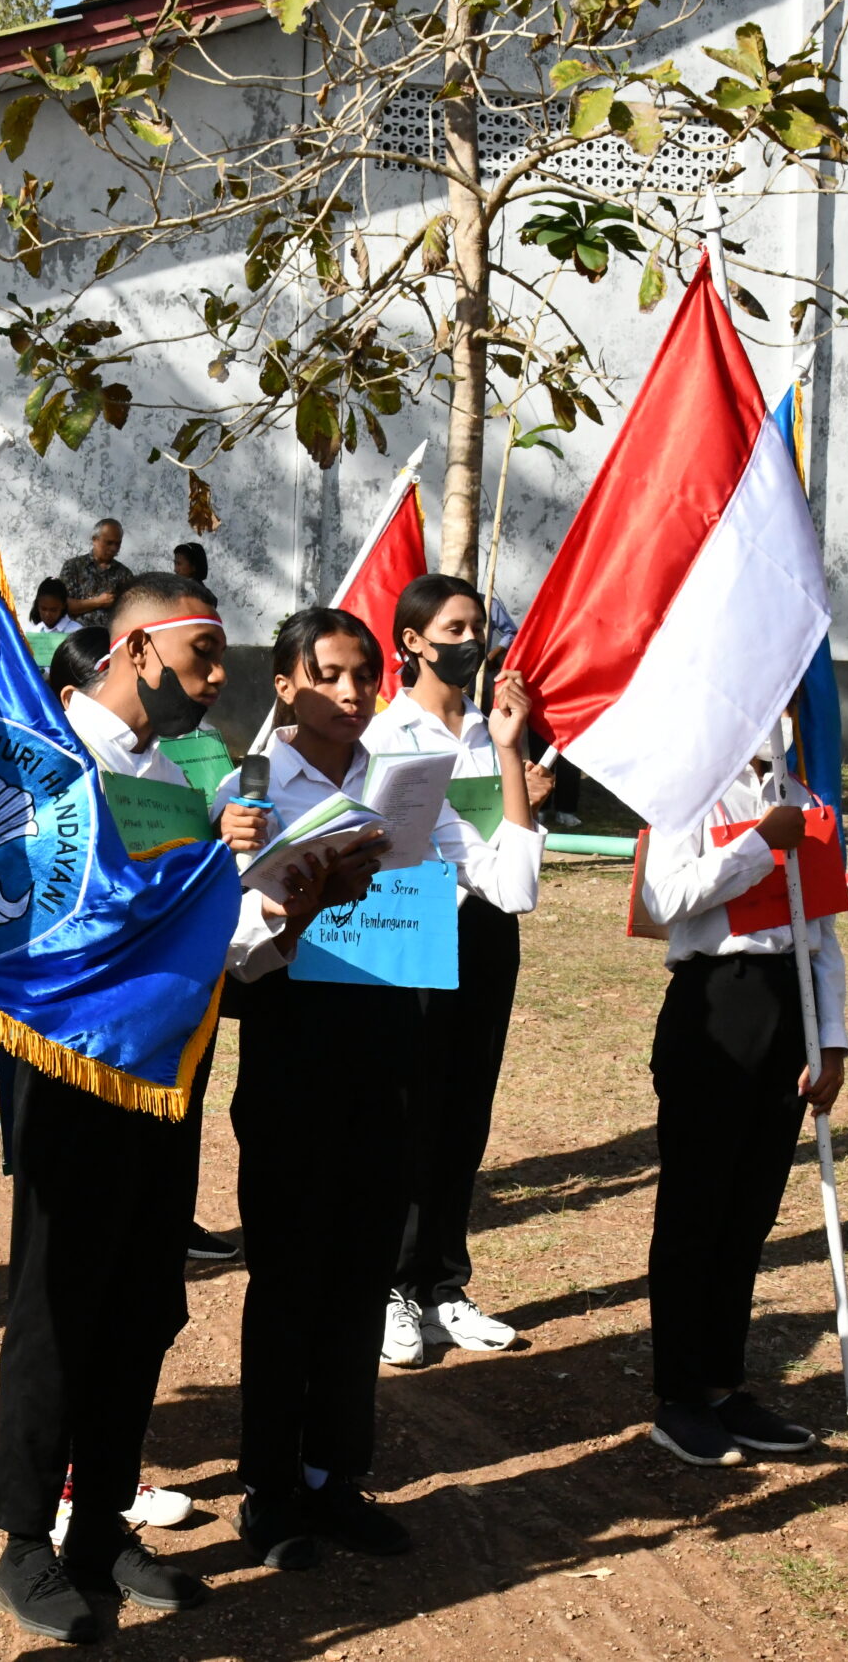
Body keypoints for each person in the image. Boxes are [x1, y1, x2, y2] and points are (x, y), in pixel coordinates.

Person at [0, 574, 268, 1644]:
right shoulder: (47, 758)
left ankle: (100, 1523)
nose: (215, 680)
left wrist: (241, 876)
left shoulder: (172, 773)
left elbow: (199, 934)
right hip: (69, 1073)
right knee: (57, 1304)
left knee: (142, 1302)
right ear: (138, 648)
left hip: (167, 1072)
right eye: (202, 658)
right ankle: (24, 1540)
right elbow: (31, 917)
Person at [212, 607, 413, 1571]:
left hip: (386, 1044)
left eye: (363, 675)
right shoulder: (247, 789)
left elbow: (446, 884)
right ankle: (269, 1485)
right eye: (328, 674)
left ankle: (339, 1474)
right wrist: (301, 910)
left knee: (361, 1272)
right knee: (289, 1277)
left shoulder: (398, 781)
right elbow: (233, 953)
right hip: (294, 1051)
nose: (350, 692)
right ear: (286, 684)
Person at [636, 731, 848, 1467]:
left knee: (749, 1212)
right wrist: (759, 845)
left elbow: (819, 928)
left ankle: (726, 1385)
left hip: (789, 1013)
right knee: (696, 1209)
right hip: (715, 1009)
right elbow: (664, 895)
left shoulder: (800, 793)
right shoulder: (689, 785)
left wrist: (833, 1035)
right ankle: (679, 1398)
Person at [363, 574, 551, 1368]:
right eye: (453, 626)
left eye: (477, 624)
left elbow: (514, 873)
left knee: (465, 1109)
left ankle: (443, 1282)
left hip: (485, 937)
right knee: (407, 1112)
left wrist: (514, 770)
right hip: (413, 932)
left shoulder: (489, 727)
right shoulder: (388, 736)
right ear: (411, 641)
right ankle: (389, 1287)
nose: (470, 639)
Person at [56, 518, 133, 619]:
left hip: (109, 633)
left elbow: (132, 609)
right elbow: (63, 606)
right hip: (78, 631)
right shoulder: (73, 567)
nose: (114, 548)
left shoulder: (124, 574)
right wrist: (98, 602)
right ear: (94, 540)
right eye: (109, 543)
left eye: (117, 544)